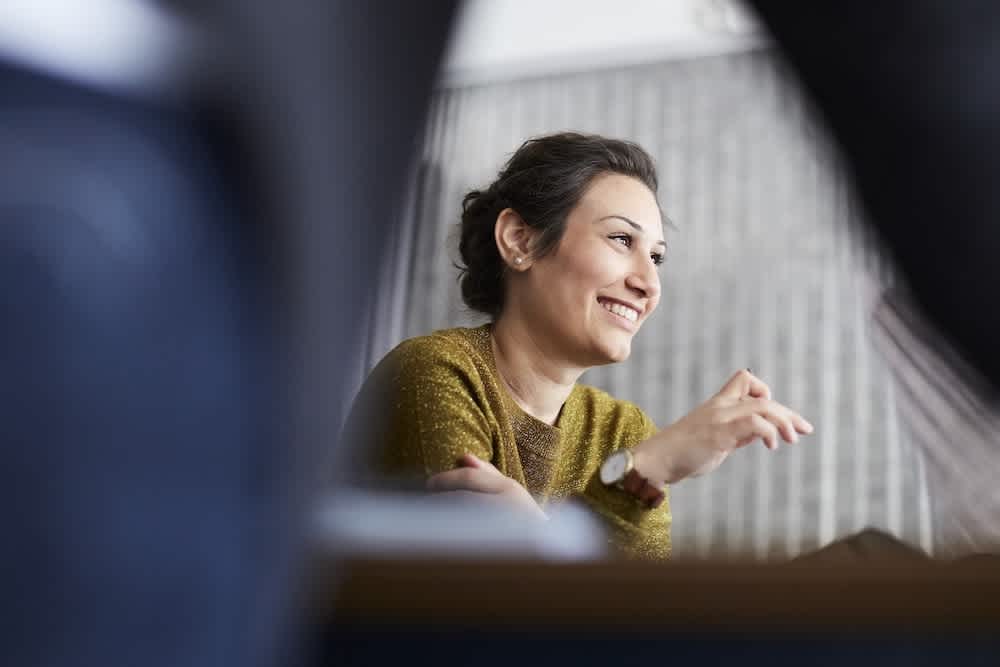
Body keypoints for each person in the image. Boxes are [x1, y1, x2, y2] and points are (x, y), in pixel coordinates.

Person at [342, 132, 813, 560]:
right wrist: (644, 472)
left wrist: (534, 531)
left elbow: (636, 634)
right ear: (519, 239)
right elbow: (475, 616)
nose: (648, 282)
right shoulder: (435, 372)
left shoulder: (621, 432)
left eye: (657, 257)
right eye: (620, 238)